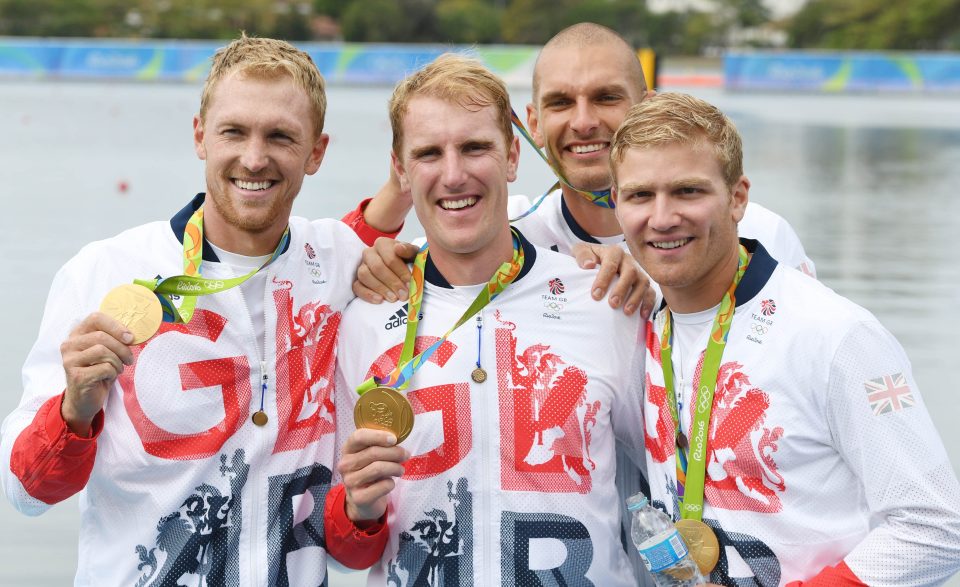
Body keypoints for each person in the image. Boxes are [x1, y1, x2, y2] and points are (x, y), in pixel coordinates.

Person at [0, 35, 394, 585]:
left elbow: (423, 236)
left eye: (280, 136)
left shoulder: (337, 260)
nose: (254, 158)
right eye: (234, 131)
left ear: (317, 152)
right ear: (200, 136)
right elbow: (24, 493)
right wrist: (73, 411)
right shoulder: (104, 271)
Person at [610, 92, 960, 585]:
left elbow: (938, 525)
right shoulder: (641, 325)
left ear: (737, 198)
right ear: (617, 205)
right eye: (640, 195)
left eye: (688, 191)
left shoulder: (839, 335)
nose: (663, 218)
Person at [330, 53, 647, 585]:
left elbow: (675, 480)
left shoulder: (604, 301)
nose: (454, 175)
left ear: (513, 157)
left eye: (475, 147)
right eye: (429, 153)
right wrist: (358, 511)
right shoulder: (363, 312)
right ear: (401, 170)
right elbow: (347, 550)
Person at [352, 22, 815, 308]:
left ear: (646, 107)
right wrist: (379, 256)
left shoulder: (759, 234)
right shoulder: (505, 234)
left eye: (606, 97)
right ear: (531, 124)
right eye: (559, 103)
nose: (584, 122)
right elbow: (326, 265)